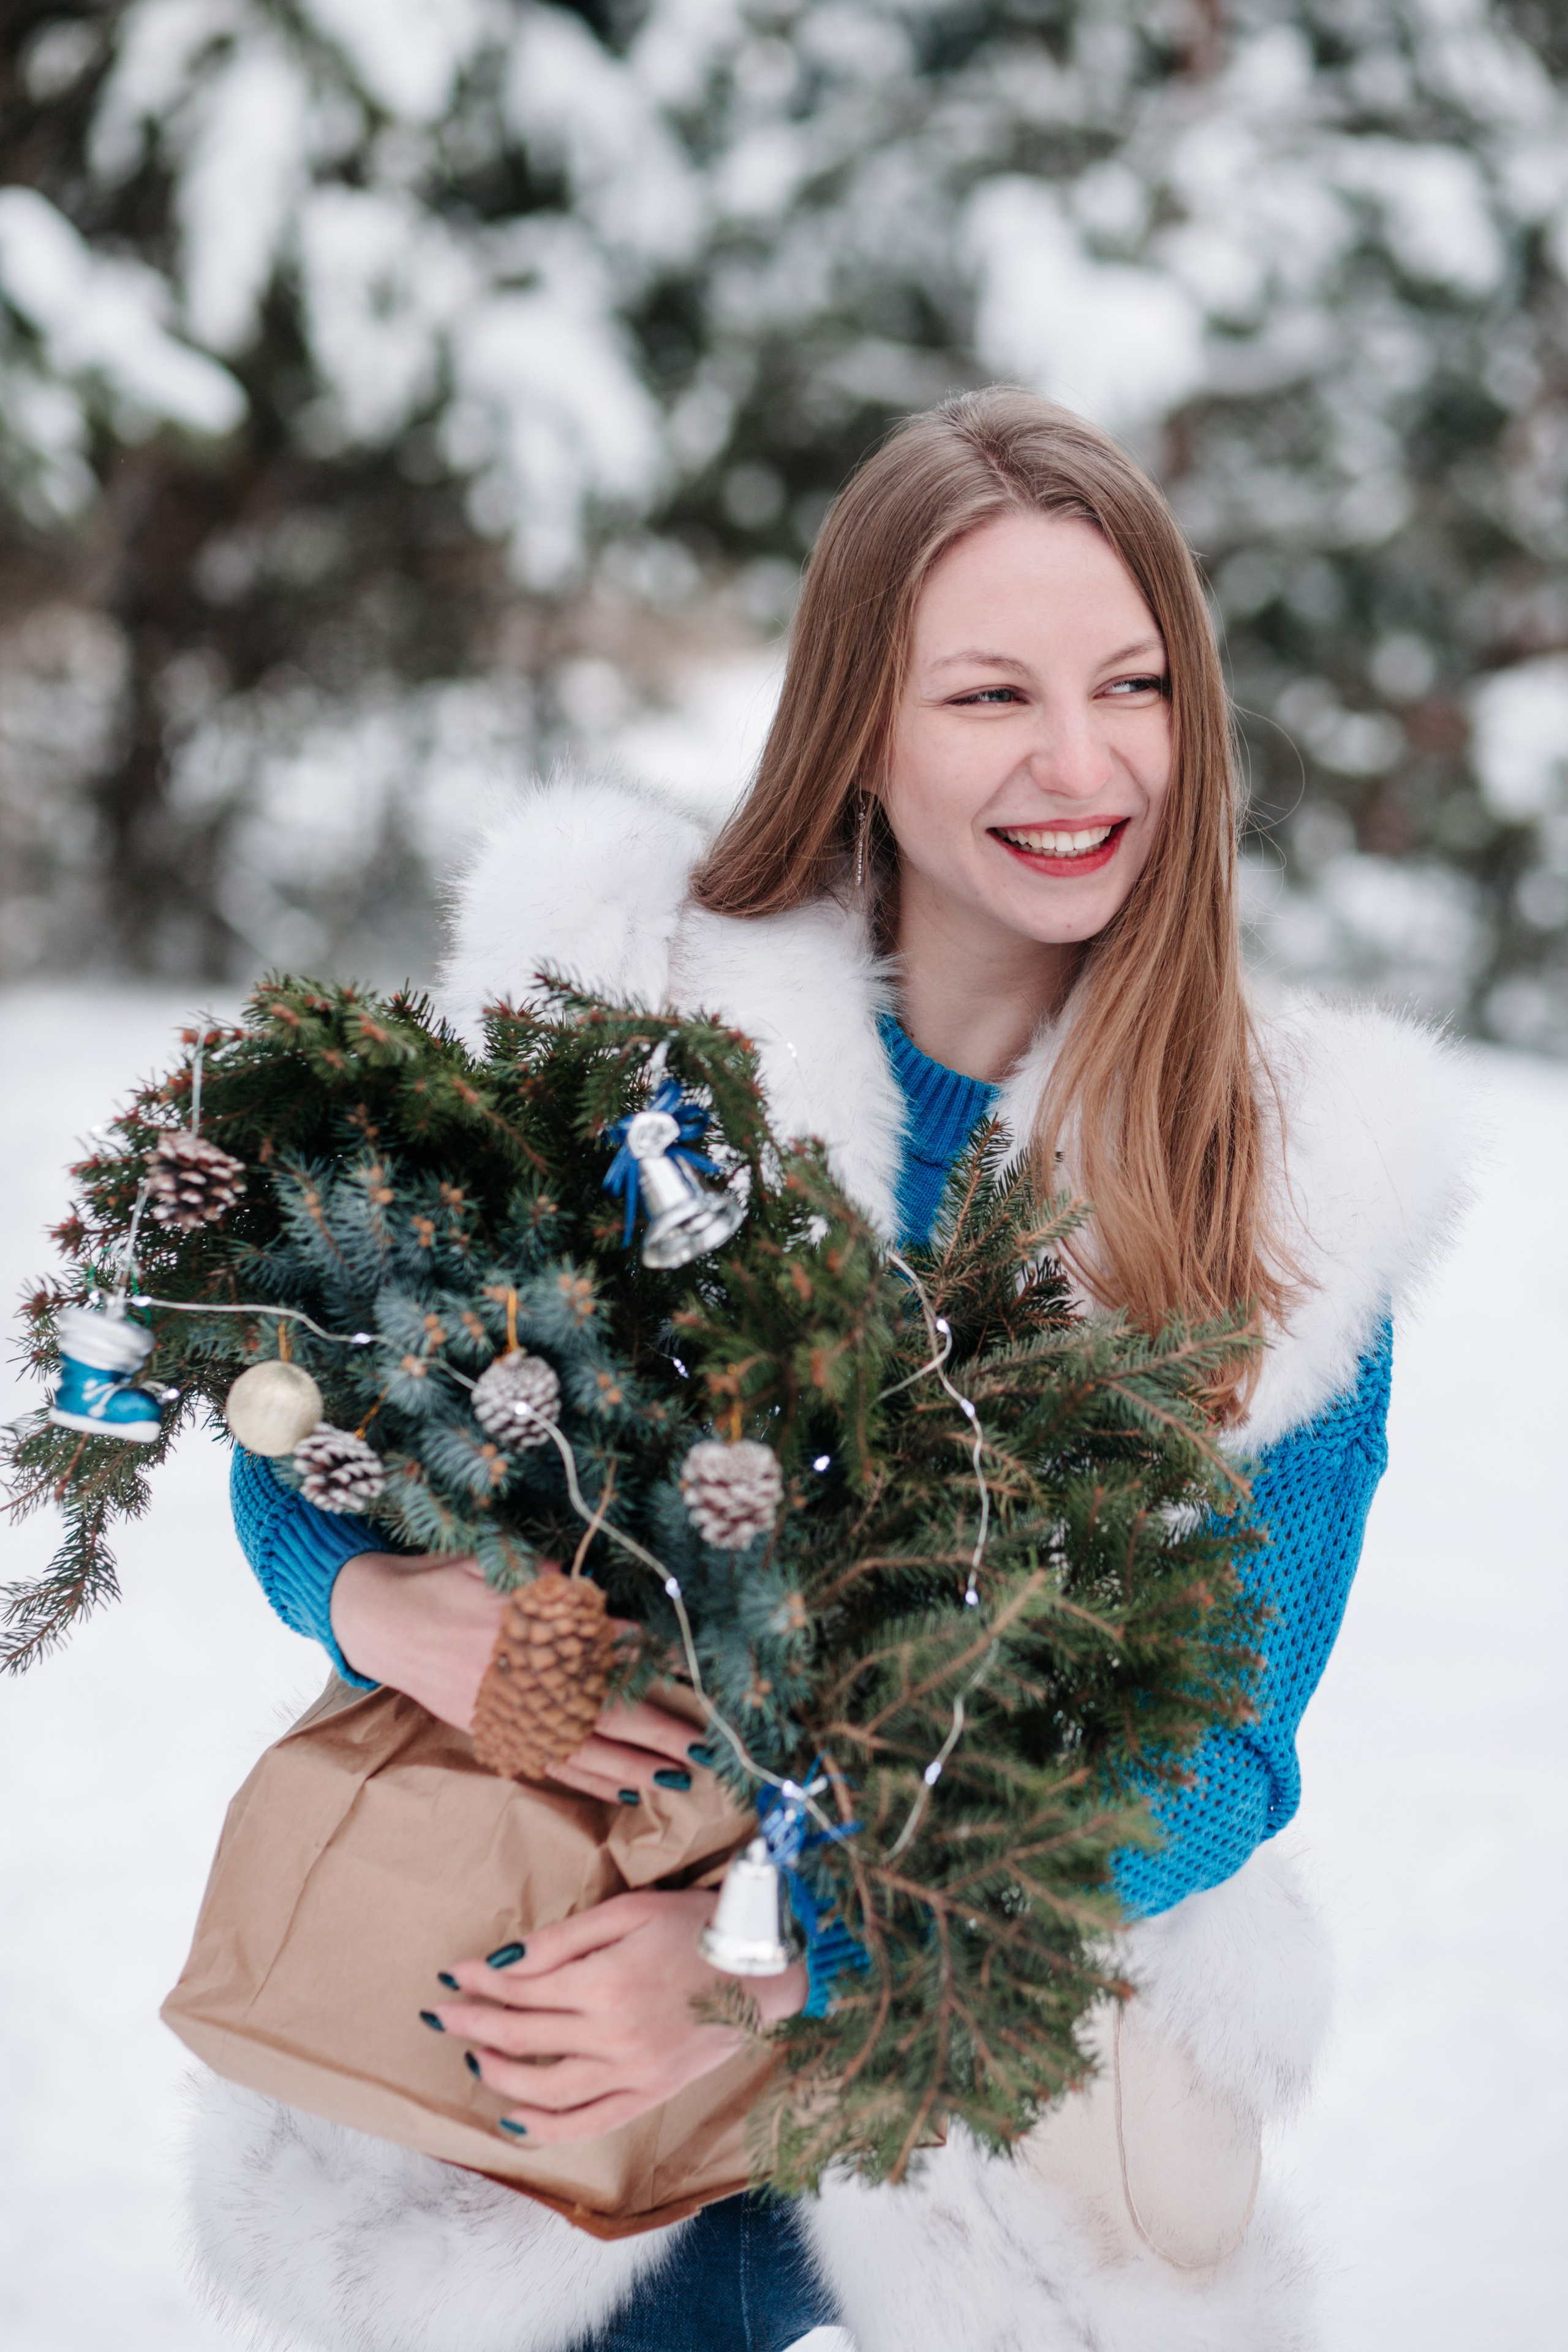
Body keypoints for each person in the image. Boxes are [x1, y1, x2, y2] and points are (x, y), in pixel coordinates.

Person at [195, 390, 1471, 2352]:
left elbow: (1217, 1755)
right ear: (858, 721)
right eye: (990, 696)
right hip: (547, 1999)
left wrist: (783, 1979)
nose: (1079, 763)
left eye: (1131, 686)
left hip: (985, 2050)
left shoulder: (1281, 1184)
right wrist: (381, 1609)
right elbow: (318, 1423)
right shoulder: (623, 1028)